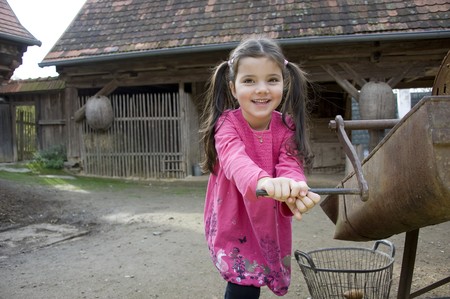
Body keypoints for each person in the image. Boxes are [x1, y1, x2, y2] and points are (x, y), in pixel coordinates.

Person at [200, 36, 321, 298]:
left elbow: (290, 163)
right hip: (234, 218)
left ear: (284, 83)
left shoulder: (286, 125)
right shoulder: (226, 124)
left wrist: (295, 186)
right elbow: (235, 160)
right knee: (243, 283)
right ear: (233, 88)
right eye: (249, 81)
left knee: (262, 269)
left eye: (272, 80)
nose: (262, 89)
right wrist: (264, 182)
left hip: (269, 217)